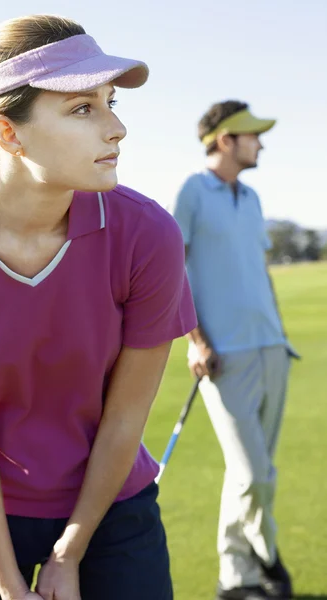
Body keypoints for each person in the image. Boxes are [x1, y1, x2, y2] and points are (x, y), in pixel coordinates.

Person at [0, 14, 197, 600]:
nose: (117, 128)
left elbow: (125, 421)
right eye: (84, 109)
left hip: (111, 509)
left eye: (110, 102)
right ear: (8, 134)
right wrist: (9, 585)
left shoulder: (148, 234)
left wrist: (68, 553)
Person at [173, 101, 296, 600]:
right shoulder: (192, 192)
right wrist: (196, 340)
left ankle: (235, 579)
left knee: (251, 474)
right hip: (224, 357)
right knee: (255, 474)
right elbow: (170, 272)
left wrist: (280, 336)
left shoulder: (252, 198)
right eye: (252, 136)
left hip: (271, 349)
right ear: (226, 140)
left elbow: (258, 272)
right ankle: (267, 555)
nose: (260, 143)